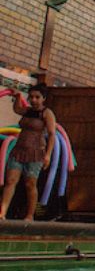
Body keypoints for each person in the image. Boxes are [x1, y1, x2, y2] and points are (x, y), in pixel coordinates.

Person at [1, 84, 56, 223]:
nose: (34, 100)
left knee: (30, 183)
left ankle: (30, 215)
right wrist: (18, 96)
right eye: (31, 97)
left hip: (35, 153)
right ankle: (2, 212)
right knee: (10, 181)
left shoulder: (46, 113)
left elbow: (51, 134)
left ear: (43, 98)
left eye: (37, 97)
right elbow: (17, 109)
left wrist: (48, 155)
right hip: (19, 150)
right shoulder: (27, 111)